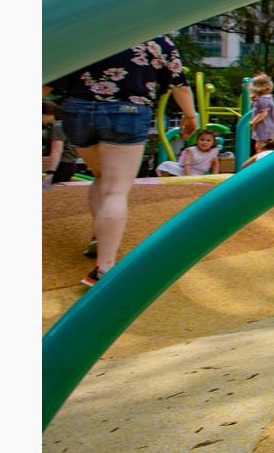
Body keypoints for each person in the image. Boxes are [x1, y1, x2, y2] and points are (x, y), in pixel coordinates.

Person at [48, 37, 197, 287]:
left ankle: (99, 235)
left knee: (102, 176)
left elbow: (50, 79)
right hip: (127, 110)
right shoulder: (159, 41)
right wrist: (191, 116)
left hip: (78, 112)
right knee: (116, 189)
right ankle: (104, 269)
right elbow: (179, 84)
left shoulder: (96, 30)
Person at [247, 75, 274, 154]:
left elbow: (263, 113)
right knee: (265, 145)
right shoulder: (267, 97)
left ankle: (260, 159)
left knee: (259, 147)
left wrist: (253, 122)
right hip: (270, 126)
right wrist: (254, 100)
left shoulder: (262, 100)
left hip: (265, 127)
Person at [42, 102, 65, 187]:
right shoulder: (63, 125)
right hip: (64, 165)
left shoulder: (58, 127)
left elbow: (57, 151)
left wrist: (50, 173)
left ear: (48, 114)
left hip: (61, 166)